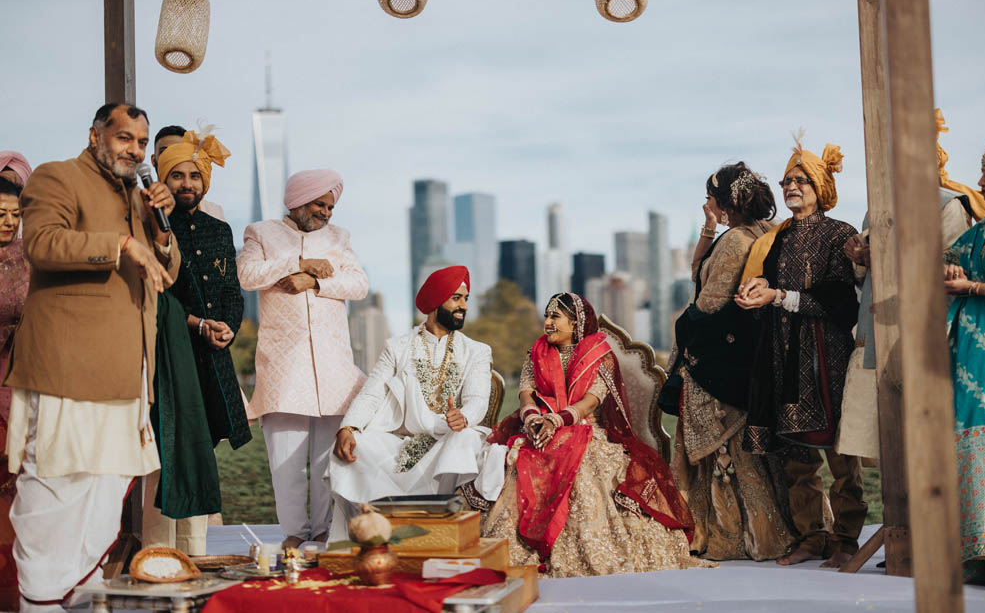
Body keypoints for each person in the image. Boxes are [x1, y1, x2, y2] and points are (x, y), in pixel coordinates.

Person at [3, 103, 179, 611]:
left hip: (126, 371)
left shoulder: (139, 197)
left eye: (142, 143)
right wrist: (121, 242)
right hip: (67, 366)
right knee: (54, 490)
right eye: (125, 138)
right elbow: (41, 243)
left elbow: (165, 269)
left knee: (105, 495)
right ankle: (39, 601)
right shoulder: (58, 177)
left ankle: (71, 595)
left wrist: (159, 231)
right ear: (95, 134)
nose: (136, 151)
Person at [482, 292, 711, 577]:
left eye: (555, 316)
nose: (548, 323)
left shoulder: (599, 356)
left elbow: (591, 401)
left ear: (575, 322)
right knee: (517, 458)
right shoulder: (536, 352)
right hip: (541, 428)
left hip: (586, 430)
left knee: (584, 467)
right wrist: (532, 419)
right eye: (546, 316)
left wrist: (558, 419)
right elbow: (527, 395)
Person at [735, 137, 866, 569]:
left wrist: (778, 296)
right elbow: (765, 287)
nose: (792, 186)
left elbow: (841, 303)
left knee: (841, 453)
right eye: (787, 180)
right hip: (782, 352)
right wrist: (754, 294)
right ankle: (813, 536)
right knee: (796, 455)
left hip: (825, 356)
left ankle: (847, 537)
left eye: (801, 179)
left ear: (820, 185)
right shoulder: (773, 241)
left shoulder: (840, 235)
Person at [663, 163, 795, 561]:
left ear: (726, 201)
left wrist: (685, 333)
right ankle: (773, 529)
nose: (708, 204)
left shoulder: (737, 240)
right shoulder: (762, 231)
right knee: (753, 448)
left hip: (717, 358)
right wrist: (707, 227)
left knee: (727, 451)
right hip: (748, 352)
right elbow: (698, 272)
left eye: (711, 198)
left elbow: (709, 300)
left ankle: (734, 536)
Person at [238, 169, 368, 550]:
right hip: (284, 363)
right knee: (286, 461)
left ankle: (325, 530)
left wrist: (315, 282)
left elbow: (359, 284)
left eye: (330, 205)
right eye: (319, 204)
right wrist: (297, 263)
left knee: (327, 461)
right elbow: (247, 274)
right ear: (296, 201)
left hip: (332, 365)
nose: (326, 211)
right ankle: (294, 533)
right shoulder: (260, 233)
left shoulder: (338, 238)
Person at [839, 109, 974, 461]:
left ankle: (928, 518)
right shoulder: (875, 212)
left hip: (921, 334)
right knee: (886, 443)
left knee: (926, 444)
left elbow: (952, 269)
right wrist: (859, 261)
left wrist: (886, 261)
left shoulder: (947, 207)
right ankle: (897, 517)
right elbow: (866, 278)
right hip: (874, 332)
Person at [141, 129, 251, 555]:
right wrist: (197, 325)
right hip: (170, 355)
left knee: (201, 455)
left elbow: (231, 292)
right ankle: (157, 560)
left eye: (195, 177)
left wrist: (225, 327)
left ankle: (194, 560)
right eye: (177, 176)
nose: (187, 184)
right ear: (163, 180)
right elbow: (156, 295)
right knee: (168, 457)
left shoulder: (219, 229)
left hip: (211, 358)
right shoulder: (154, 229)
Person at [328, 266, 494, 540]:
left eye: (466, 298)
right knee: (360, 445)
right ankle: (374, 531)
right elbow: (372, 392)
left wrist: (463, 416)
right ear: (435, 302)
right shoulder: (397, 346)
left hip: (451, 437)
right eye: (456, 298)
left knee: (463, 441)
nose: (463, 306)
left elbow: (478, 399)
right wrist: (349, 428)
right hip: (408, 441)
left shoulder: (476, 350)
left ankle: (445, 528)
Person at [941, 140, 985, 586]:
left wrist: (974, 290)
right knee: (974, 433)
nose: (979, 183)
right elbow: (949, 259)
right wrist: (953, 275)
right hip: (976, 352)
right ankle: (982, 548)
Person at [0, 174, 29, 610]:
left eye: (15, 215)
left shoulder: (30, 258)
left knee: (17, 488)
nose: (7, 223)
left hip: (20, 380)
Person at [152, 125, 226, 221]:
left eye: (180, 149)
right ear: (153, 160)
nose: (174, 156)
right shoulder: (143, 208)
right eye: (165, 152)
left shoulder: (214, 212)